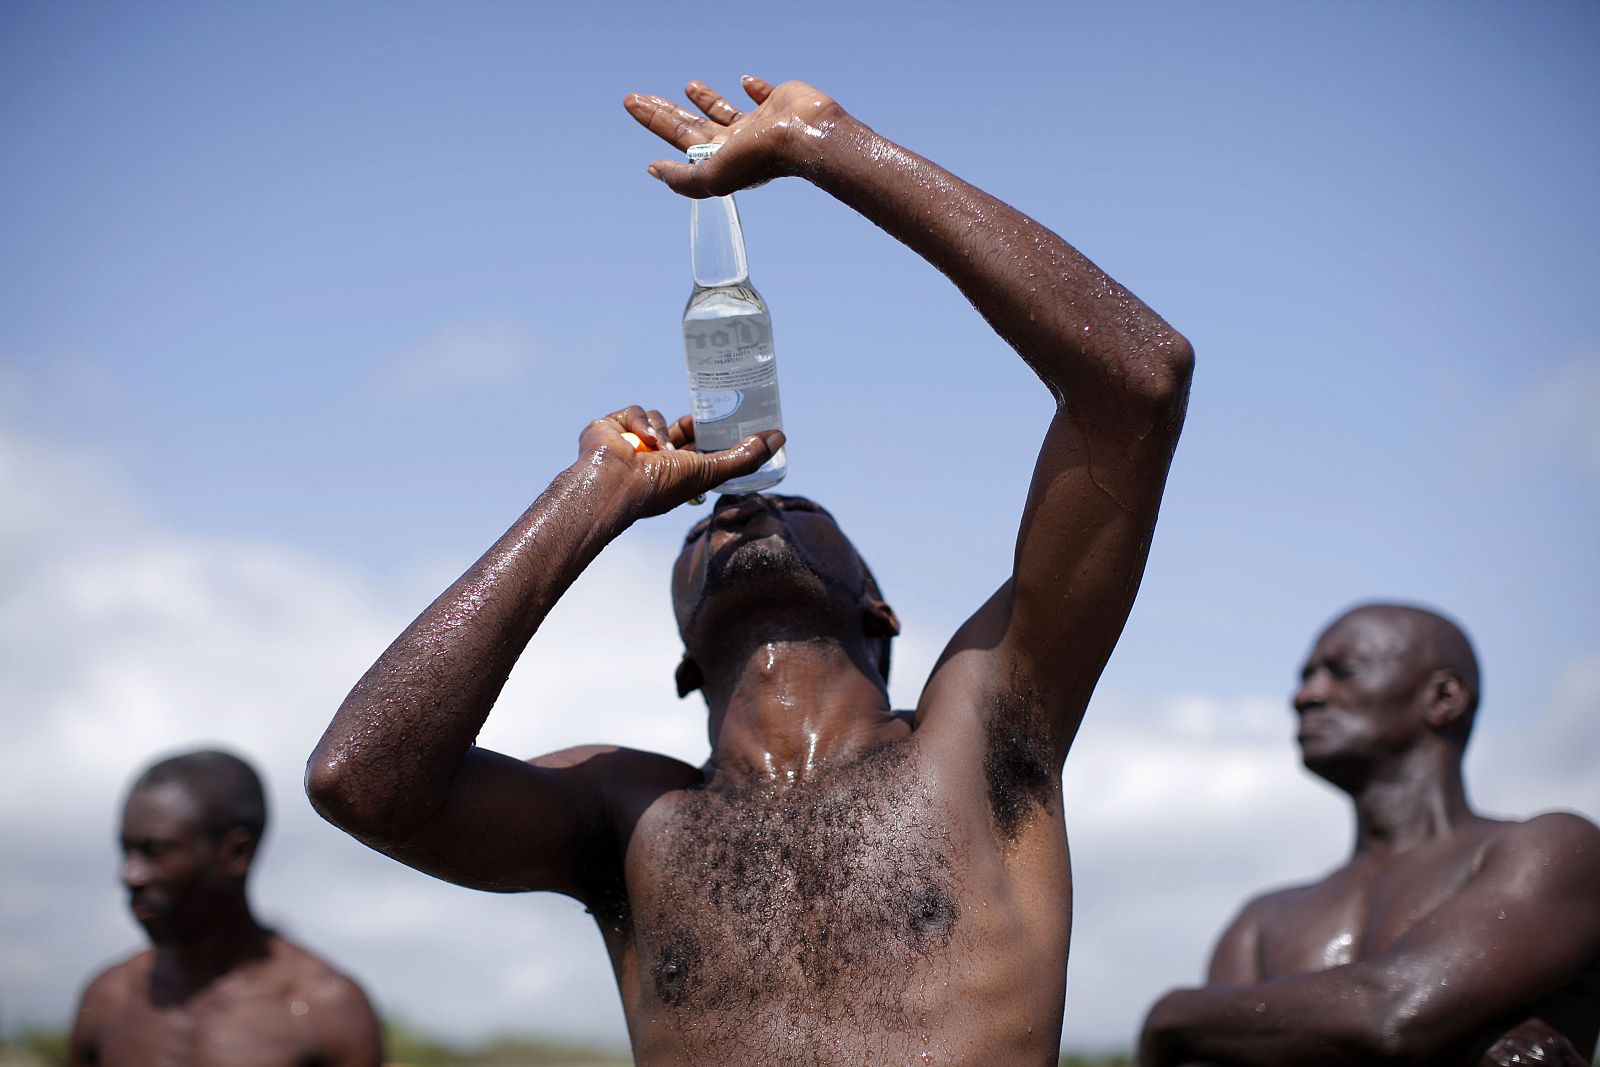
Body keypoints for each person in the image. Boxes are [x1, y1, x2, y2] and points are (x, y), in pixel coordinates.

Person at [307, 75, 1193, 1065]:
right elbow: (362, 781)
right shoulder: (627, 817)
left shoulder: (978, 736)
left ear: (879, 608)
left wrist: (830, 145)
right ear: (682, 659)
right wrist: (591, 495)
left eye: (794, 508)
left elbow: (1135, 381)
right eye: (698, 528)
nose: (739, 502)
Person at [1139, 603, 1600, 1067]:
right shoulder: (1261, 922)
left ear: (1444, 698)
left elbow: (1394, 1014)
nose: (1305, 696)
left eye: (1343, 672)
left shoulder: (1552, 850)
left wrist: (1173, 1015)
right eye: (1306, 676)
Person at [69, 749, 382, 1067]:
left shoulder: (325, 1009)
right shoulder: (109, 998)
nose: (129, 875)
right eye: (127, 851)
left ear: (236, 852)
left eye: (154, 851)